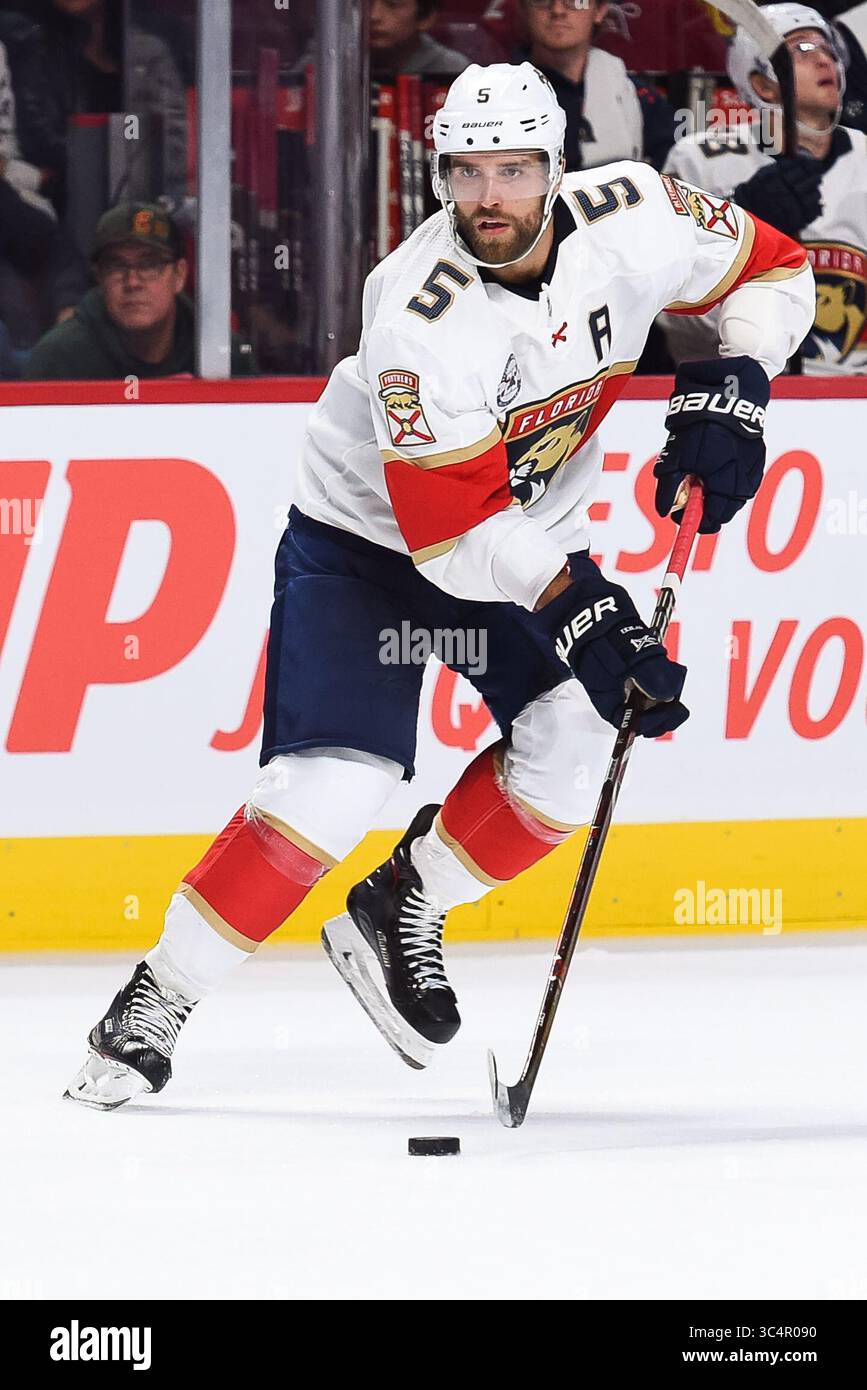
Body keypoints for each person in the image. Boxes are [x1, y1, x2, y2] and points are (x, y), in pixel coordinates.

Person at [65, 62, 813, 1107]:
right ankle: (159, 995)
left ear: (556, 167)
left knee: (584, 741)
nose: (490, 197)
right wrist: (581, 603)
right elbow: (452, 537)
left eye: (513, 169)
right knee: (336, 787)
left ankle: (406, 899)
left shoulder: (637, 211)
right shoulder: (418, 314)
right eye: (467, 173)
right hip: (369, 548)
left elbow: (778, 273)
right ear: (440, 178)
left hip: (524, 536)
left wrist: (738, 379)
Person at [661, 3, 867, 373]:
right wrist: (748, 222)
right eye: (803, 49)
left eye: (829, 50)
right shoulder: (700, 161)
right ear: (762, 83)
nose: (825, 61)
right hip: (738, 390)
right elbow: (673, 315)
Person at [25, 201, 254, 379]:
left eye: (150, 264)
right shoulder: (57, 361)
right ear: (100, 277)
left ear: (179, 275)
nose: (133, 282)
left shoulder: (223, 355)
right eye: (116, 266)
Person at [518, 0, 676, 170]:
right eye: (543, 0)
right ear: (524, 9)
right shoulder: (500, 91)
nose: (558, 10)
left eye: (577, 1)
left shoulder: (634, 96)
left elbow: (671, 175)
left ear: (600, 10)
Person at [370, 0, 470, 77]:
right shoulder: (355, 63)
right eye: (366, 4)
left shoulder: (454, 69)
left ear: (426, 17)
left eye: (393, 4)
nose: (374, 16)